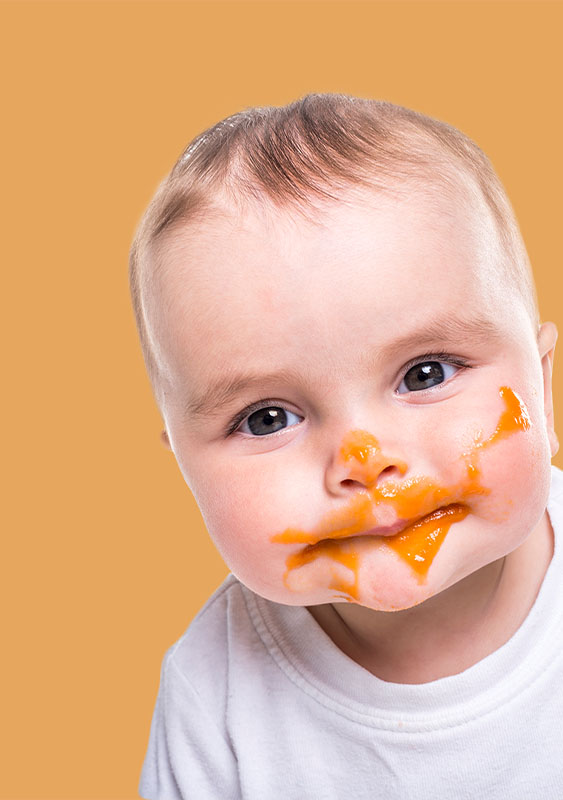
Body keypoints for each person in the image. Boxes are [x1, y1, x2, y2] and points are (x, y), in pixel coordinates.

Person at [129, 94, 562, 799]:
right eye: (267, 418)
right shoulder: (215, 693)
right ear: (183, 466)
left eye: (424, 374)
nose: (364, 460)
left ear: (541, 394)